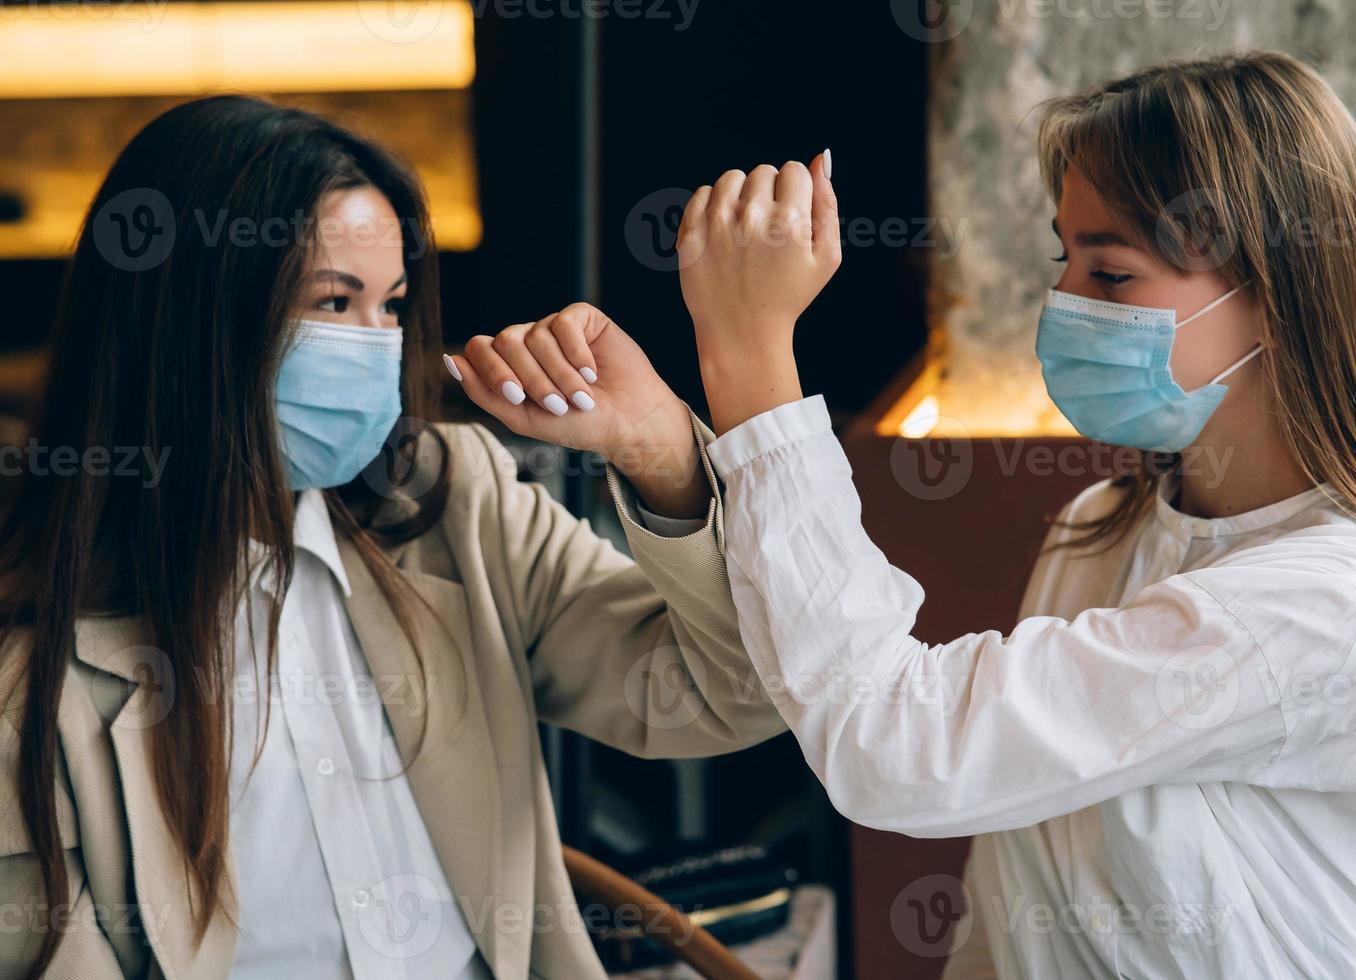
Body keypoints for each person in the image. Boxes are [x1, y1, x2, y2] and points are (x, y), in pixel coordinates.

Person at [672, 51, 1356, 977]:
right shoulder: (1104, 526)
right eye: (1067, 258)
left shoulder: (1347, 605)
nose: (1064, 303)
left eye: (1114, 275)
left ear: (1275, 298)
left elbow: (900, 745)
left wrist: (751, 359)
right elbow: (1016, 904)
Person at [0, 94, 783, 979]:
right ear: (190, 320)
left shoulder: (454, 501)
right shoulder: (34, 673)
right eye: (335, 302)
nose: (377, 346)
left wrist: (659, 451)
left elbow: (740, 687)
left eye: (393, 305)